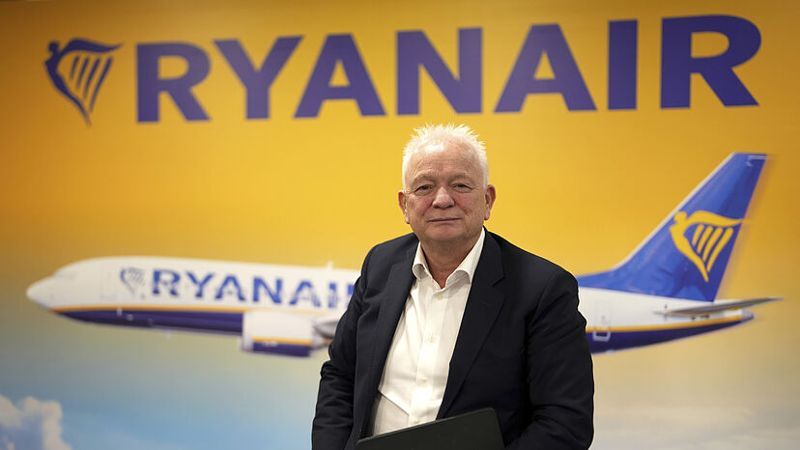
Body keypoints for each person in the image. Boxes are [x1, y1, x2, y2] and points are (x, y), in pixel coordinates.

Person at [312, 124, 593, 450]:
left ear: (487, 200)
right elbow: (340, 376)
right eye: (424, 187)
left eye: (460, 185)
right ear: (404, 205)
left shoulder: (543, 290)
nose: (442, 200)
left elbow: (565, 424)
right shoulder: (379, 265)